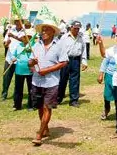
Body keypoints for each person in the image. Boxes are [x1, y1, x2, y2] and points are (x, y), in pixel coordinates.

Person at [26, 17, 69, 146]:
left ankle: (39, 134)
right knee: (40, 107)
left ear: (52, 32)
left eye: (46, 30)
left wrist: (48, 70)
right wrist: (32, 64)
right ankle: (45, 128)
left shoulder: (59, 45)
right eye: (42, 30)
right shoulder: (36, 45)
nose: (43, 32)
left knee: (46, 107)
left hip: (51, 82)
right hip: (36, 81)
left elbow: (64, 62)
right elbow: (30, 62)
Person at [57, 21, 87, 107]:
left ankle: (74, 100)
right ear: (71, 27)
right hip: (65, 60)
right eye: (75, 28)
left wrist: (84, 61)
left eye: (78, 28)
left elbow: (83, 50)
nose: (77, 30)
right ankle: (58, 98)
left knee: (75, 81)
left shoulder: (81, 38)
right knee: (62, 80)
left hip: (76, 60)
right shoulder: (64, 37)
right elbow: (59, 49)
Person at [8, 32, 34, 111]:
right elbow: (13, 55)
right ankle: (17, 105)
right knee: (18, 89)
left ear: (30, 37)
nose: (25, 38)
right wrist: (13, 58)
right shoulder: (19, 46)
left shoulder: (33, 45)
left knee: (31, 89)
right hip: (19, 70)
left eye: (27, 37)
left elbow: (36, 55)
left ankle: (31, 105)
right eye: (23, 37)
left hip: (30, 70)